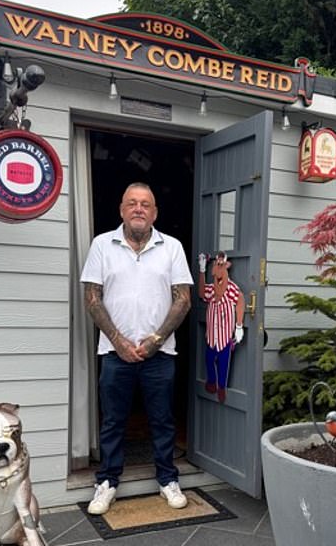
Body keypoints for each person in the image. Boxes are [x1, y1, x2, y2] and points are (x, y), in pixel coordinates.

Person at [80, 183, 193, 515]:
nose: (139, 208)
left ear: (154, 213)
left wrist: (155, 340)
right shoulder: (102, 245)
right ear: (122, 210)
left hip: (160, 354)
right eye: (132, 203)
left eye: (145, 204)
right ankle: (107, 481)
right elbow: (92, 297)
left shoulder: (172, 247)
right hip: (114, 353)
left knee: (162, 420)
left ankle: (167, 479)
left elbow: (183, 300)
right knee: (113, 421)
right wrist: (119, 340)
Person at [197, 252, 244, 403]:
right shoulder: (212, 290)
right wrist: (202, 270)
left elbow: (240, 301)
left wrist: (239, 326)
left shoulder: (231, 289)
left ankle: (222, 387)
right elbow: (202, 293)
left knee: (223, 362)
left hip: (225, 335)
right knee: (209, 359)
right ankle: (212, 381)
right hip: (212, 335)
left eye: (221, 265)